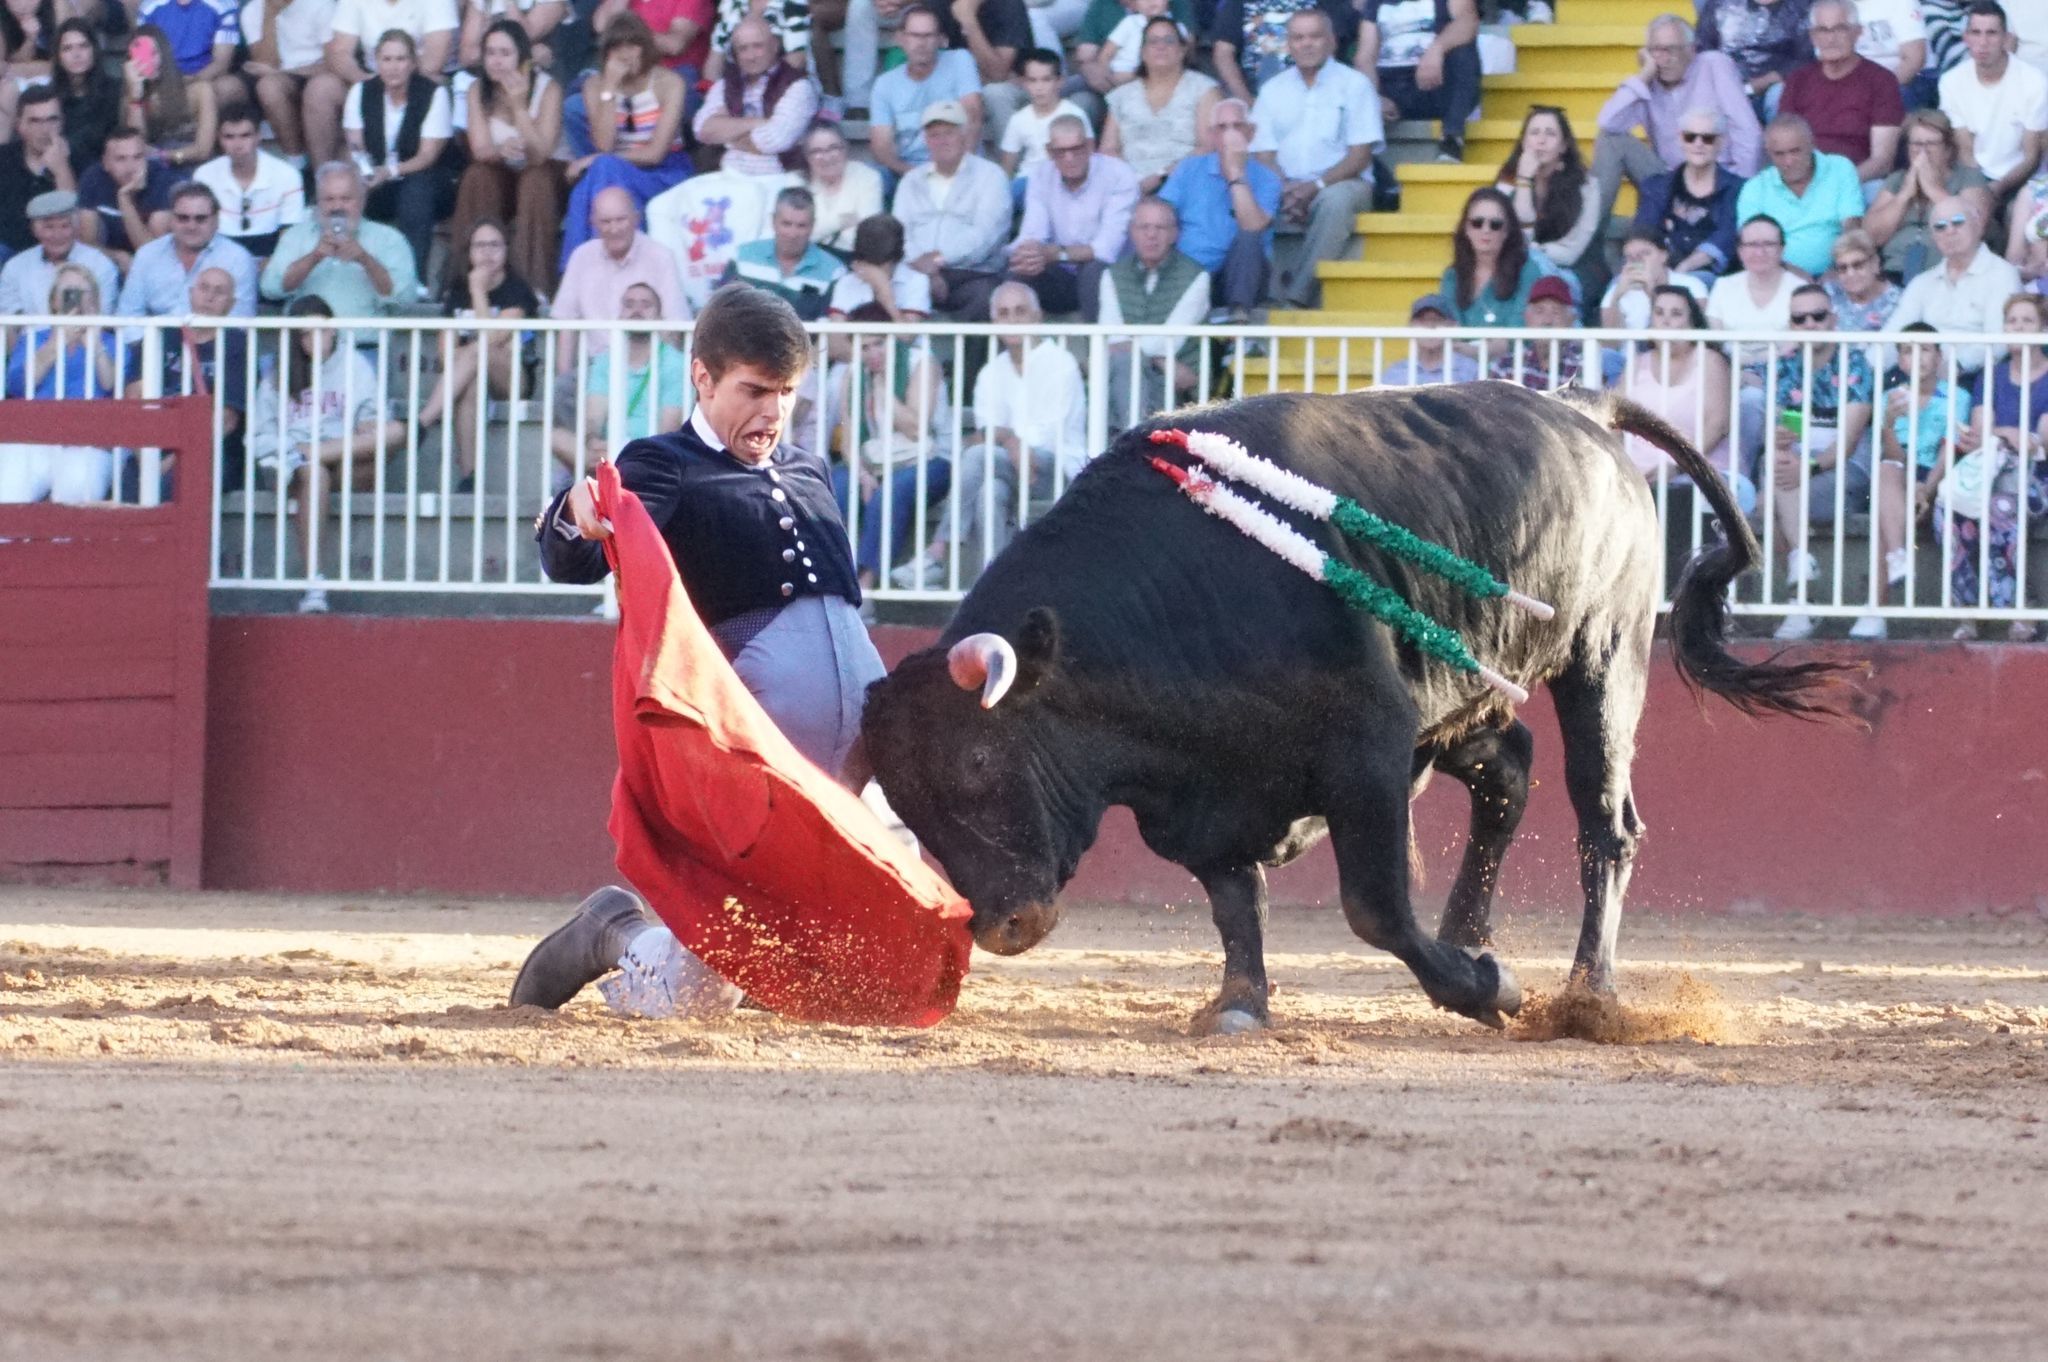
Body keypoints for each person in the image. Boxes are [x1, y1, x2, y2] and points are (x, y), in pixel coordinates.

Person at [513, 285, 887, 1017]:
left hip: (841, 783)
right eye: (754, 390)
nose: (772, 413)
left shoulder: (811, 471)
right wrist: (575, 513)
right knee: (693, 1003)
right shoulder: (664, 463)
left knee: (854, 978)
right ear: (704, 378)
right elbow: (581, 555)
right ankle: (609, 933)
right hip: (750, 783)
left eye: (785, 393)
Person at [896, 279, 1085, 583]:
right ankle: (996, 585)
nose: (1011, 320)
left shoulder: (1060, 363)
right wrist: (1008, 439)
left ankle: (938, 552)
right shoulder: (991, 371)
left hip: (1056, 470)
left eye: (1020, 312)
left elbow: (1048, 437)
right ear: (994, 320)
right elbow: (990, 432)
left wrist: (1005, 437)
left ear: (1037, 318)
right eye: (1003, 313)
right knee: (988, 493)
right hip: (1006, 469)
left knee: (979, 456)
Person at [248, 294, 403, 613]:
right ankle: (314, 583)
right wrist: (291, 450)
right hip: (290, 462)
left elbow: (373, 416)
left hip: (340, 455)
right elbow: (260, 435)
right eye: (305, 334)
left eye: (322, 331)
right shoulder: (278, 373)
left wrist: (368, 422)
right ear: (296, 339)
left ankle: (315, 453)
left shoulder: (353, 363)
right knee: (313, 472)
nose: (315, 340)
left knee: (396, 431)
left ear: (334, 330)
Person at [1759, 280, 1876, 640]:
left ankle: (1800, 603)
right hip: (1799, 469)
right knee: (1775, 477)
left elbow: (1848, 445)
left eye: (1818, 316)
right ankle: (1801, 589)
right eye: (1800, 319)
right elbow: (1783, 434)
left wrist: (1804, 467)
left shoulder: (1856, 362)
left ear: (1833, 319)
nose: (1809, 324)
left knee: (1773, 499)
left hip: (1845, 470)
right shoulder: (1785, 365)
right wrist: (1782, 441)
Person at [1250, 9, 1381, 310]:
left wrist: (1314, 187)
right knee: (1240, 192)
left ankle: (1297, 294)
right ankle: (1243, 300)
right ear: (1289, 45)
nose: (1306, 44)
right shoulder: (1272, 90)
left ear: (1332, 41)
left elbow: (1360, 156)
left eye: (1315, 36)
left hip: (1344, 183)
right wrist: (1286, 189)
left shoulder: (1356, 85)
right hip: (1286, 185)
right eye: (1298, 37)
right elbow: (1263, 154)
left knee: (1334, 201)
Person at [826, 301, 951, 588]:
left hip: (929, 460)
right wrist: (862, 474)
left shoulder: (921, 362)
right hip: (874, 461)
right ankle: (831, 582)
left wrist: (882, 389)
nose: (873, 354)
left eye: (879, 344)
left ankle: (866, 586)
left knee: (889, 494)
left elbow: (917, 429)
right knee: (833, 490)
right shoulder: (854, 373)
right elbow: (847, 441)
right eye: (864, 347)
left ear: (893, 336)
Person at [1945, 290, 2048, 637]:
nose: (2017, 328)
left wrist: (2002, 434)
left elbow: (2042, 440)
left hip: (2037, 475)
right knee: (1950, 508)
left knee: (1999, 507)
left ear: (2042, 328)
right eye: (2012, 321)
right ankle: (1969, 609)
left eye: (2027, 321)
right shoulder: (1992, 374)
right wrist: (2011, 434)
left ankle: (2019, 608)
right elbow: (1980, 430)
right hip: (1990, 469)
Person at [1593, 14, 1762, 225]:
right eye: (1656, 50)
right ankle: (1589, 243)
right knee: (1610, 141)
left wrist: (1738, 192)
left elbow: (1748, 131)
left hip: (1718, 179)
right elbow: (1608, 123)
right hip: (1670, 180)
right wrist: (1645, 74)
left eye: (1670, 50)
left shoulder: (1713, 65)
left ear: (1691, 50)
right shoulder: (1648, 82)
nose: (1663, 59)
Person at [413, 218, 543, 489]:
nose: (487, 252)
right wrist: (470, 292)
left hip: (513, 378)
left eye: (495, 245)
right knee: (469, 384)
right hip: (471, 373)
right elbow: (445, 356)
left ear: (506, 251)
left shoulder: (517, 290)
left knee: (477, 351)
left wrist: (478, 292)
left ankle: (423, 421)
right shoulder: (457, 294)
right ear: (469, 252)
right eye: (480, 245)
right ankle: (469, 477)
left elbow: (492, 339)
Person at [560, 13, 692, 268]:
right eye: (617, 48)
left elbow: (655, 153)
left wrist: (598, 159)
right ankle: (586, 275)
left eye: (633, 46)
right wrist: (609, 88)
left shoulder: (669, 83)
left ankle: (586, 269)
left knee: (600, 172)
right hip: (615, 173)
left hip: (663, 172)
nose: (625, 54)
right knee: (597, 179)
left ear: (646, 48)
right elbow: (604, 145)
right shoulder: (594, 85)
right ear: (606, 53)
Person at [1859, 321, 1959, 637]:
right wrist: (1889, 422)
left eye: (1925, 349)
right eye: (1907, 351)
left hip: (1938, 476)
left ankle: (1876, 609)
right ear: (1900, 360)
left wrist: (1926, 489)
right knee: (1887, 470)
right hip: (1899, 471)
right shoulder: (1890, 397)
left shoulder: (1958, 396)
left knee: (1882, 512)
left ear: (1939, 356)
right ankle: (1897, 558)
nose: (1917, 357)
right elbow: (1892, 455)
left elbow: (1949, 451)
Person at [450, 17, 564, 292]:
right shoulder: (477, 89)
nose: (496, 61)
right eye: (490, 53)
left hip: (546, 174)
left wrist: (519, 107)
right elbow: (480, 150)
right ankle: (466, 284)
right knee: (477, 175)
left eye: (505, 53)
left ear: (523, 58)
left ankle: (532, 288)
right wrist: (501, 151)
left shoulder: (549, 89)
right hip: (500, 173)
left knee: (535, 180)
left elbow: (541, 154)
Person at [121, 265, 250, 498]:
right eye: (204, 288)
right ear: (190, 294)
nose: (209, 296)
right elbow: (134, 401)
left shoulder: (238, 345)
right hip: (152, 448)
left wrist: (167, 464)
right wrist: (148, 461)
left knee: (174, 485)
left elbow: (225, 420)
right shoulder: (161, 335)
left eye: (219, 292)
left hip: (209, 452)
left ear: (231, 304)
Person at [1620, 284, 1750, 512]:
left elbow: (1718, 425)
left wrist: (1676, 466)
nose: (1666, 321)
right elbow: (1612, 420)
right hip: (1638, 475)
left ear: (1692, 323)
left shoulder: (1709, 360)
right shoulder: (1637, 363)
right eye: (1659, 313)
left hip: (1699, 472)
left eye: (1676, 314)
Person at [998, 112, 1136, 319]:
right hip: (1062, 272)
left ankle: (1097, 350)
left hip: (1114, 273)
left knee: (1094, 272)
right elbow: (1033, 232)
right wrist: (1027, 252)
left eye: (1076, 149)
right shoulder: (1041, 175)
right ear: (1049, 152)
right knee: (1018, 272)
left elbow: (1106, 249)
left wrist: (1057, 254)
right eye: (1060, 152)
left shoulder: (1119, 175)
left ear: (1090, 146)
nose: (1069, 158)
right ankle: (1019, 349)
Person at [0, 265, 118, 505]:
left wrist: (94, 343)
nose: (76, 299)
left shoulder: (111, 341)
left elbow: (110, 384)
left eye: (83, 293)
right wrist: (56, 343)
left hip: (88, 441)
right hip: (34, 438)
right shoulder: (34, 338)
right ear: (54, 300)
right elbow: (19, 385)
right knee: (8, 493)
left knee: (75, 494)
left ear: (94, 299)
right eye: (68, 292)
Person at [547, 280, 689, 479]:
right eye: (629, 305)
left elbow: (668, 428)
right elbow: (593, 417)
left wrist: (626, 452)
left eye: (645, 305)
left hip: (651, 454)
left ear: (660, 316)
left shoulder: (676, 363)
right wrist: (593, 441)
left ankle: (610, 479)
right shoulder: (606, 360)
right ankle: (608, 477)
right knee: (556, 437)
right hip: (607, 451)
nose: (636, 311)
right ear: (619, 314)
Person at [343, 28, 455, 278]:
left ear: (413, 63)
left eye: (401, 59)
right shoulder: (360, 92)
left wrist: (389, 171)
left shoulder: (433, 94)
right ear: (376, 62)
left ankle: (415, 280)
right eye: (387, 59)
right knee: (348, 188)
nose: (394, 67)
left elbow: (428, 156)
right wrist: (367, 172)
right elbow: (355, 145)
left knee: (416, 191)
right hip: (379, 179)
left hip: (428, 181)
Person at [1159, 96, 1281, 323]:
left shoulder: (1267, 179)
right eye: (1222, 128)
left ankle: (1237, 319)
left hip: (1243, 278)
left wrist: (1236, 174)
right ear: (1212, 135)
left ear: (1251, 133)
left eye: (1238, 126)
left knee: (1249, 238)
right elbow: (1162, 214)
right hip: (1189, 274)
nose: (1230, 134)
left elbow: (1252, 224)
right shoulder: (1188, 169)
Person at [306, 0, 458, 169]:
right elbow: (340, 53)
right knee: (320, 89)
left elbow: (434, 59)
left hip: (417, 76)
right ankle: (324, 179)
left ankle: (417, 166)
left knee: (435, 84)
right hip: (369, 76)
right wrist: (368, 83)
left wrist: (398, 78)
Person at [1098, 196, 1208, 428]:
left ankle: (1128, 442)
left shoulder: (1197, 276)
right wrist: (1162, 360)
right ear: (1132, 232)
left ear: (1175, 234)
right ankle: (1132, 441)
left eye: (1160, 227)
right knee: (1123, 366)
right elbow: (1112, 338)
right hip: (1143, 374)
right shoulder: (1112, 275)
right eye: (1144, 227)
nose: (1151, 235)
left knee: (1123, 364)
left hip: (1176, 393)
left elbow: (1169, 342)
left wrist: (1133, 349)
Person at [894, 100, 1012, 313]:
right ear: (925, 140)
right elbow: (899, 233)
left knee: (984, 297)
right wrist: (925, 269)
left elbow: (985, 237)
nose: (942, 141)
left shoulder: (991, 176)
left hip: (970, 272)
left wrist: (937, 261)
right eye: (934, 135)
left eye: (949, 133)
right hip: (916, 270)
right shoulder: (911, 180)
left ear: (965, 136)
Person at [259, 161, 418, 318]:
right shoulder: (295, 236)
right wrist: (314, 257)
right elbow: (270, 289)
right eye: (329, 199)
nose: (337, 207)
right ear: (318, 202)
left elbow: (404, 299)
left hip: (364, 343)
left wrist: (365, 259)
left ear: (362, 201)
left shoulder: (389, 239)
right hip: (308, 342)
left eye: (346, 199)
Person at [552, 183, 688, 366]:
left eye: (620, 219)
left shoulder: (660, 256)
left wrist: (654, 370)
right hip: (596, 365)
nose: (614, 229)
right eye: (606, 222)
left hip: (648, 366)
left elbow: (674, 324)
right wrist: (563, 377)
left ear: (636, 218)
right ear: (593, 222)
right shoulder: (581, 256)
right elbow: (565, 324)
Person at [1883, 194, 2021, 373]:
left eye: (1958, 222)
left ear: (1978, 224)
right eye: (1940, 227)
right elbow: (1892, 335)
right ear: (1933, 236)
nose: (1950, 231)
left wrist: (1955, 366)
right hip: (1923, 375)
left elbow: (1998, 342)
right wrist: (1865, 371)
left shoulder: (2003, 274)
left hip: (1976, 377)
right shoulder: (1922, 283)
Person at [1779, 0, 1903, 192]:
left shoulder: (1881, 80)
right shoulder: (1798, 80)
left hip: (1857, 179)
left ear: (1857, 32)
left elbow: (1882, 161)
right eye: (1822, 30)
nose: (1830, 39)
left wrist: (1835, 185)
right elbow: (1783, 144)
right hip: (1803, 181)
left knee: (1875, 191)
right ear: (1812, 36)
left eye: (1840, 29)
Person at [1938, 1, 2046, 209]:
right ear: (1965, 38)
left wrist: (1998, 188)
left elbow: (2031, 156)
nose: (1983, 42)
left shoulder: (2034, 82)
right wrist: (1980, 190)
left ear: (2006, 38)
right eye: (1976, 33)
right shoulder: (1951, 82)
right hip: (1972, 178)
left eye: (1992, 33)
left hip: (2019, 181)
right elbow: (1965, 150)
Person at [1865, 108, 1991, 279]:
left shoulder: (1969, 178)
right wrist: (1904, 195)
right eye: (1916, 144)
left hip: (1948, 272)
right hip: (1894, 271)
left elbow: (1973, 228)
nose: (1922, 151)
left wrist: (1933, 189)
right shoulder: (1897, 180)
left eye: (1931, 144)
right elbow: (1871, 236)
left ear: (1948, 149)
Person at [1734, 114, 1865, 279]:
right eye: (1779, 154)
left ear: (1812, 145)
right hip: (1776, 277)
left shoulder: (1839, 168)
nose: (1788, 161)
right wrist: (1793, 275)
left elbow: (1851, 228)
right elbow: (1752, 245)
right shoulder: (1755, 188)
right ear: (1768, 153)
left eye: (1795, 151)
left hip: (1840, 273)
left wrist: (1836, 269)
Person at [866, 4, 984, 180]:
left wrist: (955, 170)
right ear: (900, 39)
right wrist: (916, 175)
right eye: (914, 35)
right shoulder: (885, 84)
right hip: (908, 171)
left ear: (941, 40)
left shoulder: (960, 61)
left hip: (960, 166)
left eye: (928, 35)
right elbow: (881, 147)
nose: (921, 43)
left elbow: (973, 118)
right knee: (874, 176)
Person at [1098, 18, 1215, 193]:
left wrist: (1161, 177)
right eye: (1153, 41)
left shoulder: (1204, 89)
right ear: (1143, 52)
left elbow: (1207, 147)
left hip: (1188, 185)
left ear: (1182, 50)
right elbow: (1108, 150)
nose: (1161, 46)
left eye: (1169, 40)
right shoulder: (1121, 96)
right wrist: (1133, 182)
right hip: (1130, 187)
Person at [691, 17, 817, 179]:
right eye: (743, 49)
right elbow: (702, 129)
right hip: (724, 178)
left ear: (775, 46)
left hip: (778, 181)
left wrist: (727, 137)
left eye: (758, 46)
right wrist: (760, 122)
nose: (751, 56)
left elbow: (774, 139)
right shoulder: (726, 84)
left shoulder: (798, 86)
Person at [1355, 0, 1478, 162]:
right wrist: (1375, 98)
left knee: (1463, 51)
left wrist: (1436, 49)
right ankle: (1376, 175)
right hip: (1392, 91)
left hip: (1436, 85)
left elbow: (1468, 21)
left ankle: (1452, 137)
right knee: (1355, 86)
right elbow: (1365, 57)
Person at [1631, 106, 1745, 282]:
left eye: (1707, 138)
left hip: (1710, 276)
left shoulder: (1737, 189)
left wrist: (1684, 268)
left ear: (1720, 142)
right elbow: (1643, 235)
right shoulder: (1657, 186)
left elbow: (1726, 236)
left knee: (1693, 283)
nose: (1698, 143)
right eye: (1690, 137)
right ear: (1680, 139)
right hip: (1658, 268)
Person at [120, 181, 262, 317]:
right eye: (183, 218)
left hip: (215, 341)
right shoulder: (147, 254)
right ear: (171, 219)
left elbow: (240, 322)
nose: (191, 226)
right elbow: (128, 315)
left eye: (200, 219)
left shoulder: (238, 259)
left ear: (216, 221)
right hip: (154, 340)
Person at [1497, 104, 1598, 291]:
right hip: (1521, 269)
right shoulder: (1507, 180)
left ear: (1563, 146)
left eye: (1550, 134)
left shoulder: (1587, 186)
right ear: (1524, 142)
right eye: (1534, 133)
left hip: (1571, 270)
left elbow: (1572, 250)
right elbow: (1512, 238)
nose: (1541, 140)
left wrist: (1535, 252)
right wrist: (1524, 181)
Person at [194, 103, 307, 260]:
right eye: (229, 137)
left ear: (258, 136)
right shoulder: (204, 175)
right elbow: (201, 233)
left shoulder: (287, 175)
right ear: (219, 139)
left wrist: (271, 267)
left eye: (245, 136)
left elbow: (289, 234)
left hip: (270, 258)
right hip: (219, 259)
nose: (237, 145)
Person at [720, 185, 845, 319]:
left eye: (801, 226)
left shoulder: (833, 271)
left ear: (813, 225)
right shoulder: (742, 257)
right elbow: (720, 309)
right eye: (786, 224)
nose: (793, 234)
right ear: (773, 221)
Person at [242, 0, 341, 162]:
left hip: (320, 73)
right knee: (268, 86)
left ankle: (321, 174)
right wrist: (270, 15)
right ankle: (296, 162)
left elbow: (334, 64)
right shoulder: (252, 10)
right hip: (284, 79)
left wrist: (280, 72)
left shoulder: (321, 5)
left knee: (319, 89)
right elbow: (265, 64)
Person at [1206, 0, 1355, 108]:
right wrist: (1248, 103)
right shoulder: (1240, 3)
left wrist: (1310, 98)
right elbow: (1223, 53)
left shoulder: (1327, 3)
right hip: (1253, 93)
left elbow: (1330, 48)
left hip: (1311, 96)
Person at [0, 190, 118, 314]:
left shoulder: (99, 264)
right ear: (34, 230)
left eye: (65, 226)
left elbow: (103, 315)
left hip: (84, 332)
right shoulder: (15, 267)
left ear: (76, 227)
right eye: (49, 227)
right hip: (32, 333)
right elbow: (9, 319)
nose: (57, 235)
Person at [76, 129, 177, 273]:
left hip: (156, 268)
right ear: (105, 163)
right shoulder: (92, 178)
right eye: (121, 159)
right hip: (108, 263)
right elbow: (87, 243)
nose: (131, 167)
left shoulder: (163, 181)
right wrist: (117, 256)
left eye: (138, 157)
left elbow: (152, 254)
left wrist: (125, 199)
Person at [1440, 185, 1543, 327]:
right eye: (1477, 223)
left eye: (1495, 224)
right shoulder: (1452, 276)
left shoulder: (1527, 271)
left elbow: (1520, 330)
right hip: (1460, 349)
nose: (1486, 230)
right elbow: (1452, 327)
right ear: (1466, 229)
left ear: (1507, 231)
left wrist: (1474, 350)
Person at [1000, 47, 1091, 198]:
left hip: (1064, 177)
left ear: (1060, 81)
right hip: (1028, 181)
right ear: (1023, 83)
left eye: (1046, 79)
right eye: (1032, 80)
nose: (1039, 87)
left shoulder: (1075, 113)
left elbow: (1089, 154)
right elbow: (1007, 165)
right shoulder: (1018, 119)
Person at [124, 23, 219, 167]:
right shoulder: (131, 98)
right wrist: (136, 98)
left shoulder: (200, 90)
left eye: (154, 53)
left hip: (194, 166)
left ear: (165, 54)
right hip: (153, 168)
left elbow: (203, 150)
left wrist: (164, 156)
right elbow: (136, 146)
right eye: (140, 56)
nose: (150, 62)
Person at [1695, 0, 1813, 113]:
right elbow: (1703, 49)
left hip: (1775, 85)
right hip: (1726, 85)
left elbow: (1804, 58)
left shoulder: (1801, 6)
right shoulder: (1719, 3)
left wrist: (1763, 82)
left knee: (1780, 95)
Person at [0, 87, 78, 255]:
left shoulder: (79, 158)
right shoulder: (3, 158)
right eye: (35, 121)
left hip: (61, 251)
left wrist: (61, 169)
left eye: (52, 119)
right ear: (19, 125)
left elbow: (76, 221)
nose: (45, 130)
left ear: (62, 122)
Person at [1707, 213, 1800, 348]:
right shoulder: (1723, 286)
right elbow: (1716, 342)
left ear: (1782, 249)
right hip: (1730, 366)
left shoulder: (1799, 288)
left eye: (1768, 244)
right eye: (1752, 245)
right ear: (1740, 251)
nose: (1760, 252)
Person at [45, 18, 123, 174]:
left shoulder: (115, 89)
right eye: (67, 48)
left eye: (83, 46)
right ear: (58, 56)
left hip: (104, 171)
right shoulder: (50, 96)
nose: (76, 54)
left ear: (94, 50)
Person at [799, 119, 883, 255]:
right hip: (806, 259)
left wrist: (815, 228)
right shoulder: (796, 182)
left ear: (845, 148)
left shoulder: (868, 177)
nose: (826, 157)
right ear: (807, 156)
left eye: (833, 148)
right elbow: (795, 234)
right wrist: (841, 221)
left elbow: (869, 235)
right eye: (817, 151)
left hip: (854, 261)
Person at [1599, 225, 1708, 329]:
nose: (1638, 261)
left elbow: (1700, 332)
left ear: (1663, 256)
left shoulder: (1691, 285)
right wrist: (1616, 298)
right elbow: (1610, 345)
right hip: (1630, 348)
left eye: (1645, 253)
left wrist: (1652, 293)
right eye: (1630, 257)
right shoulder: (1617, 290)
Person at [828, 212, 931, 320]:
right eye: (871, 264)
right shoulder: (846, 282)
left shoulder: (916, 281)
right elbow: (836, 336)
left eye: (881, 264)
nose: (876, 272)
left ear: (895, 258)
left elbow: (908, 336)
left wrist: (886, 297)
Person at [1488, 275, 1585, 389]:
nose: (1547, 320)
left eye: (1556, 312)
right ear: (1527, 318)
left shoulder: (1584, 366)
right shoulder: (1507, 366)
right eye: (1540, 311)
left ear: (1571, 320)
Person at [1377, 291, 1479, 384]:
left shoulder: (1470, 371)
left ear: (1453, 326)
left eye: (1437, 320)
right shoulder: (1396, 372)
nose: (1430, 326)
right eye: (1422, 320)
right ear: (1410, 326)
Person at [1822, 226, 1901, 328]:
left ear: (1875, 264)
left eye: (1858, 265)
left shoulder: (1899, 301)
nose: (1850, 273)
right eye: (1842, 268)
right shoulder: (1828, 295)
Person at [1854, 0, 1928, 103]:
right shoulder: (1832, 5)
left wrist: (1879, 90)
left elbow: (1915, 59)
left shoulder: (1901, 3)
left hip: (1904, 82)